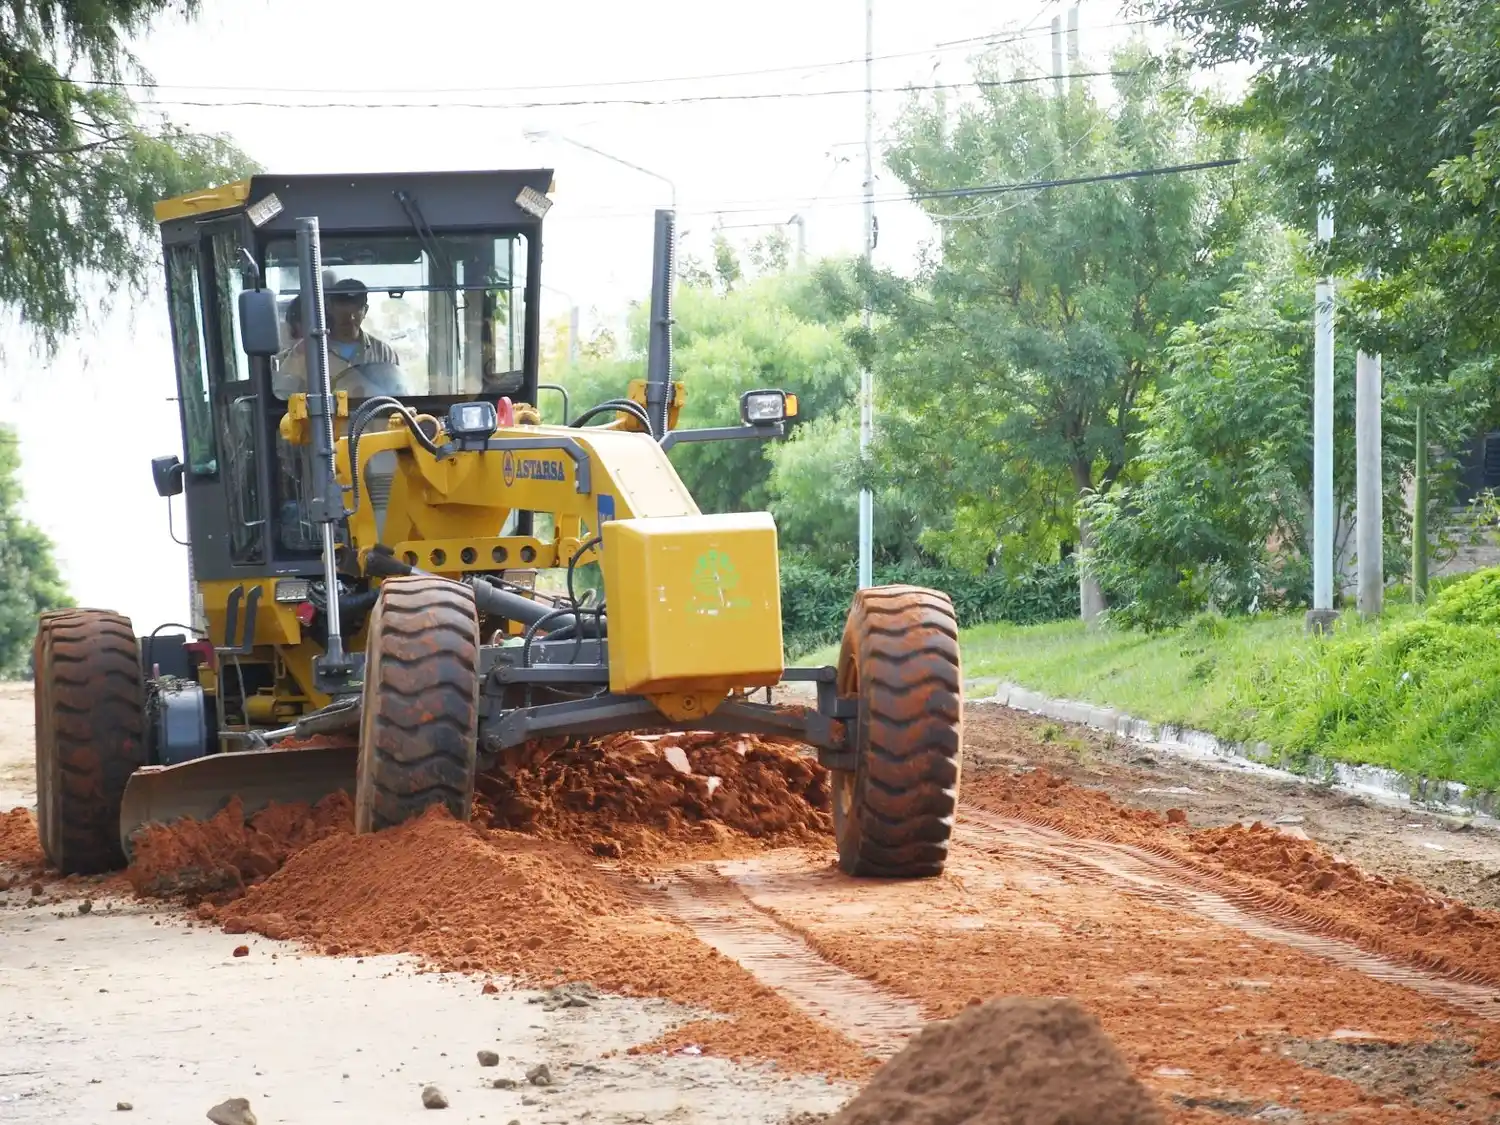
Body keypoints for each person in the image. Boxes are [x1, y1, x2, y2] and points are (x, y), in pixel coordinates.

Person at [271, 278, 403, 398]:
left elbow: (399, 397)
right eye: (343, 312)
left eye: (356, 312)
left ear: (365, 311)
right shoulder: (307, 351)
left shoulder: (384, 353)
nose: (350, 318)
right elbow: (283, 395)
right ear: (330, 308)